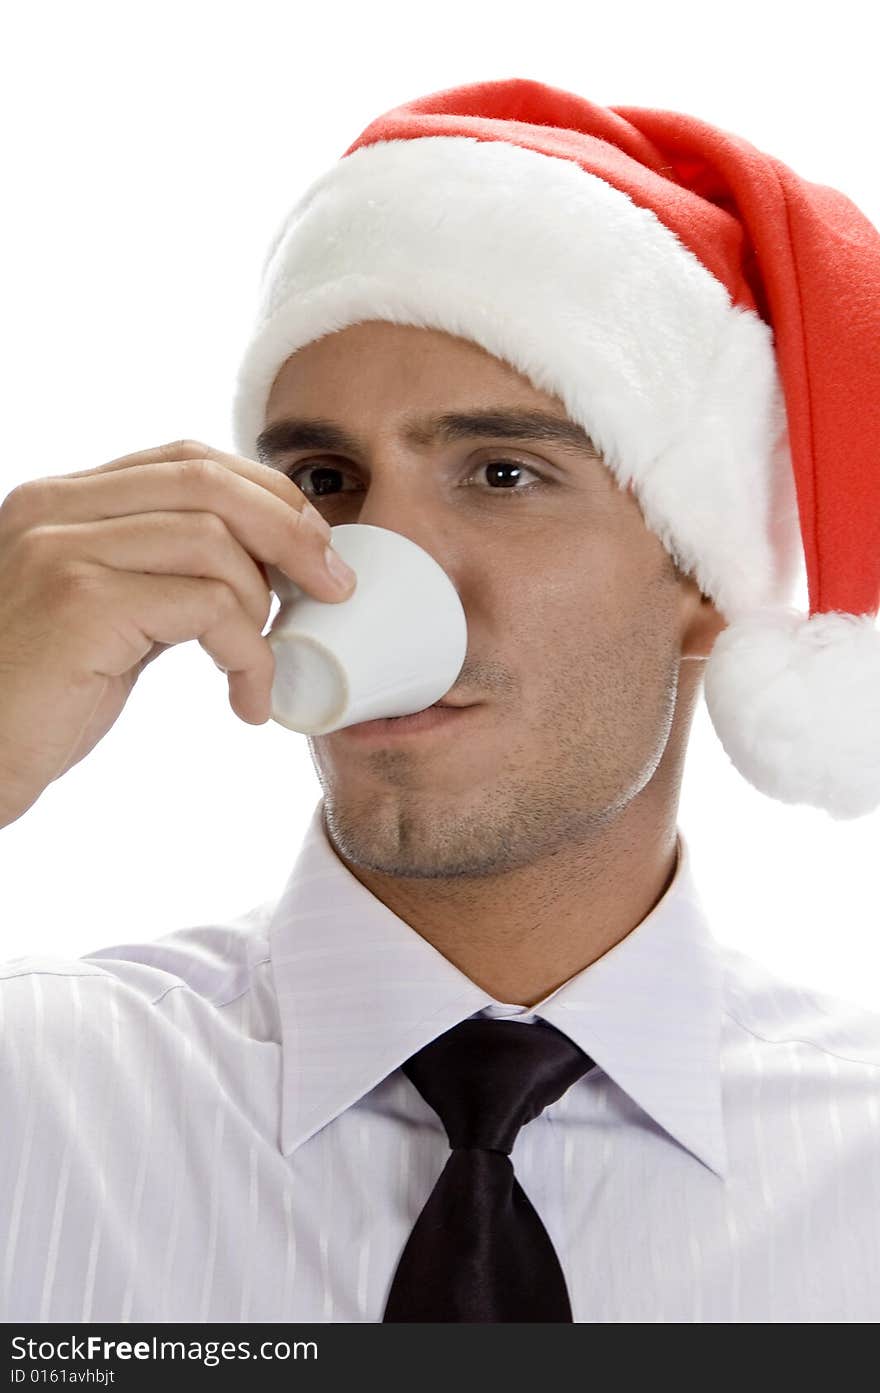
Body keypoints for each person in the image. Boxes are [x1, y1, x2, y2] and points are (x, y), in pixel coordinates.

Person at [1, 77, 879, 1324]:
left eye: (502, 472)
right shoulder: (40, 1095)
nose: (357, 573)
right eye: (324, 475)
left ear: (704, 573)